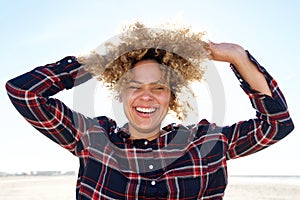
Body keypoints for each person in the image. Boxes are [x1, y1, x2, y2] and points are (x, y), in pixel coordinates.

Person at [6, 22, 294, 199]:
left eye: (158, 88)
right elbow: (25, 92)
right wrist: (100, 59)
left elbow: (276, 124)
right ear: (121, 92)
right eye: (135, 86)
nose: (147, 96)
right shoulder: (93, 138)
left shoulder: (206, 143)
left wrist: (236, 56)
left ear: (172, 97)